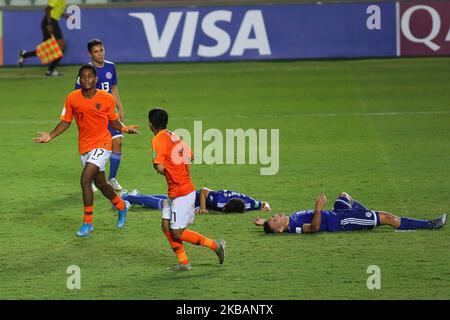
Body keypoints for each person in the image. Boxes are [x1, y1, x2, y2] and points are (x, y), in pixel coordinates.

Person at [33, 64, 140, 237]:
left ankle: (88, 223)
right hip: (84, 147)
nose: (87, 79)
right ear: (79, 79)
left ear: (96, 79)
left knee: (85, 179)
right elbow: (66, 121)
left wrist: (126, 129)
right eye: (83, 76)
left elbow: (113, 122)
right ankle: (121, 207)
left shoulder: (106, 98)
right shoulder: (72, 98)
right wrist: (51, 136)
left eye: (90, 76)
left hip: (103, 144)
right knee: (101, 183)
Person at [149, 108, 225, 271]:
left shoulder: (158, 139)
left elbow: (160, 167)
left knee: (176, 232)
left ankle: (215, 245)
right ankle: (184, 262)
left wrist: (158, 165)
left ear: (150, 125)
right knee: (165, 226)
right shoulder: (173, 135)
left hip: (182, 193)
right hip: (176, 190)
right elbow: (191, 156)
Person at [253, 192, 447, 234]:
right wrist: (318, 209)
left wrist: (264, 223)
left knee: (343, 197)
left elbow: (273, 228)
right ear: (280, 229)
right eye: (275, 220)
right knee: (388, 218)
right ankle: (430, 224)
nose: (276, 215)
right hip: (342, 221)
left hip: (336, 212)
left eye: (273, 217)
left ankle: (369, 218)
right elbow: (314, 228)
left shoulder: (286, 222)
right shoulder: (295, 227)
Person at [75, 39, 126, 192]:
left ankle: (112, 178)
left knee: (118, 142)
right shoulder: (86, 72)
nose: (100, 54)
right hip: (93, 117)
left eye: (101, 50)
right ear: (90, 54)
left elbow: (113, 88)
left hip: (109, 113)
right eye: (96, 51)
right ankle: (90, 178)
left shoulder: (111, 66)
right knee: (92, 147)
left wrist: (120, 108)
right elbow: (78, 94)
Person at [119, 187, 271, 213]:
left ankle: (135, 195)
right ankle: (128, 197)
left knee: (166, 200)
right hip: (194, 196)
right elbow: (204, 191)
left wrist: (266, 206)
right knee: (164, 205)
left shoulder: (250, 203)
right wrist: (203, 208)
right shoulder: (219, 199)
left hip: (194, 200)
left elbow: (263, 203)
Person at [17, 0, 68, 76]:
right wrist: (49, 24)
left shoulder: (64, 1)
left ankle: (24, 55)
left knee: (47, 49)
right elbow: (47, 9)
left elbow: (56, 11)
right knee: (61, 47)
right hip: (50, 22)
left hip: (52, 22)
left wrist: (66, 16)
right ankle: (50, 71)